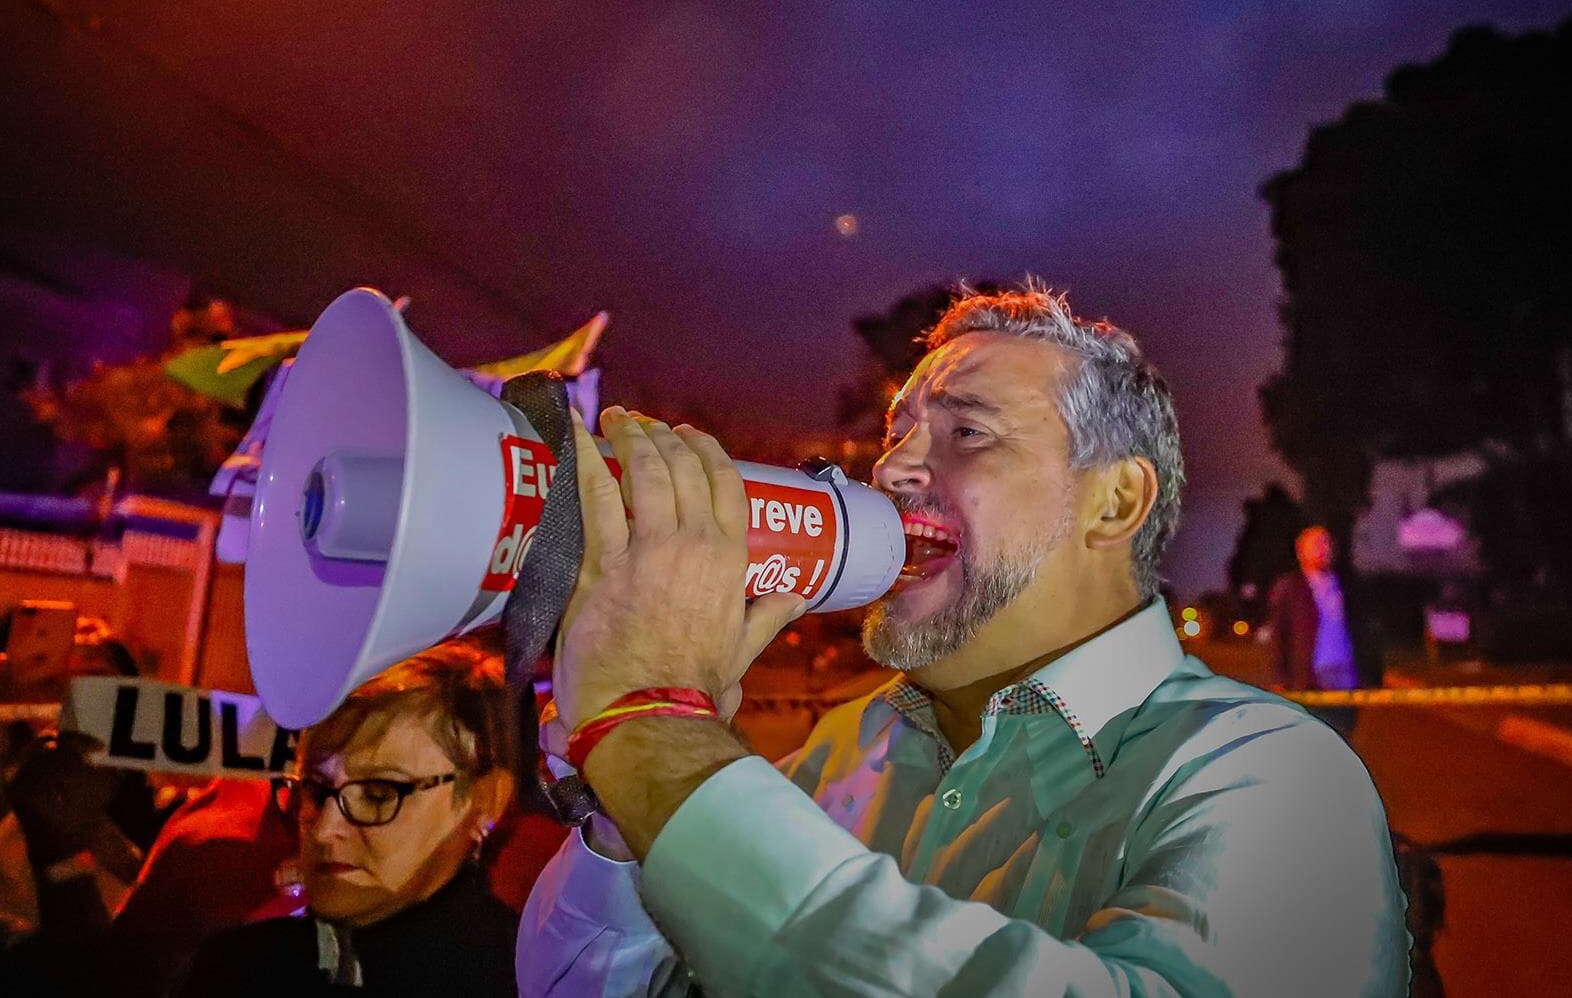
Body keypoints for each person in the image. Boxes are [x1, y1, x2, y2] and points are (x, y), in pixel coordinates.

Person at [519, 282, 1411, 997]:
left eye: (966, 432)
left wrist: (658, 733)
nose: (894, 466)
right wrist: (625, 817)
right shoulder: (836, 754)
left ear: (1115, 502)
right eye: (898, 433)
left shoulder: (1275, 776)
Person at [177, 639, 518, 996]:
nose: (325, 830)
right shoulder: (236, 968)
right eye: (317, 790)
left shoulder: (537, 980)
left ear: (486, 800)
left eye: (379, 795)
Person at [1268, 525, 1376, 735]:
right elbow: (1279, 635)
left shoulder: (1346, 585)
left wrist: (1369, 675)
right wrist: (1280, 678)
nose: (1323, 548)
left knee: (1343, 738)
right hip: (1310, 681)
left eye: (1327, 542)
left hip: (1345, 678)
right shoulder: (1290, 587)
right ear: (1301, 551)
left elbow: (1363, 632)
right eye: (1316, 543)